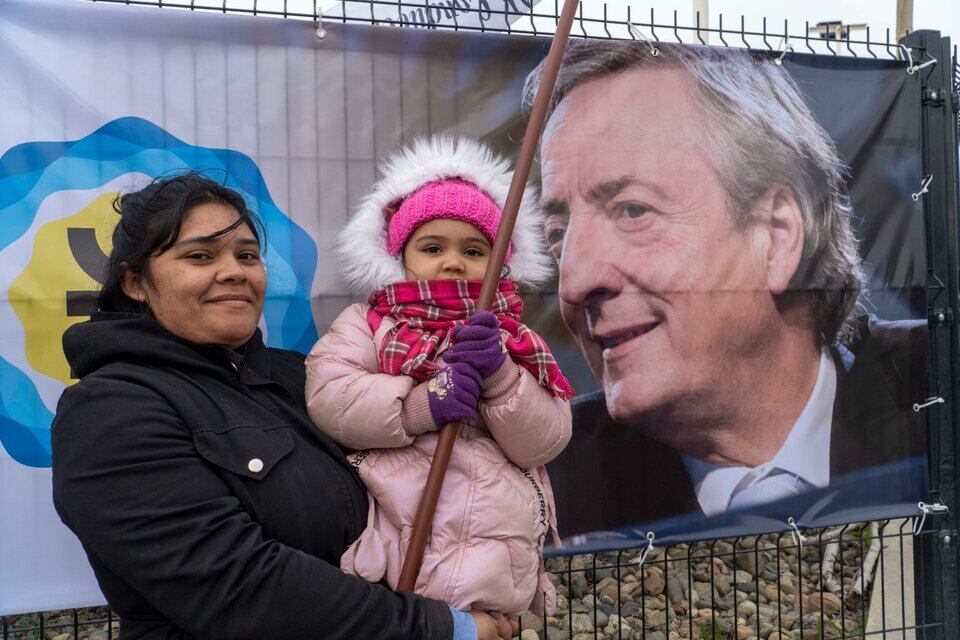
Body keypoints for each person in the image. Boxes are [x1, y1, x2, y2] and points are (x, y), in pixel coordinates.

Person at [51, 172, 517, 640]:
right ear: (135, 282)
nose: (235, 271)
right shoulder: (108, 412)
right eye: (199, 256)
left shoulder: (299, 376)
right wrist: (443, 628)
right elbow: (241, 588)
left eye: (247, 255)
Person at [521, 40, 925, 533]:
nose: (576, 280)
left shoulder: (935, 388)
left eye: (633, 210)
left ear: (775, 236)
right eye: (558, 237)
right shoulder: (535, 491)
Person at [304, 136, 574, 616]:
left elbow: (545, 440)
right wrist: (419, 405)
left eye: (475, 250)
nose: (453, 261)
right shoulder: (370, 323)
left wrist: (500, 376)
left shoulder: (515, 340)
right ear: (399, 255)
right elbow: (331, 398)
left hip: (495, 555)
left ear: (499, 263)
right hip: (398, 542)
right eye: (432, 247)